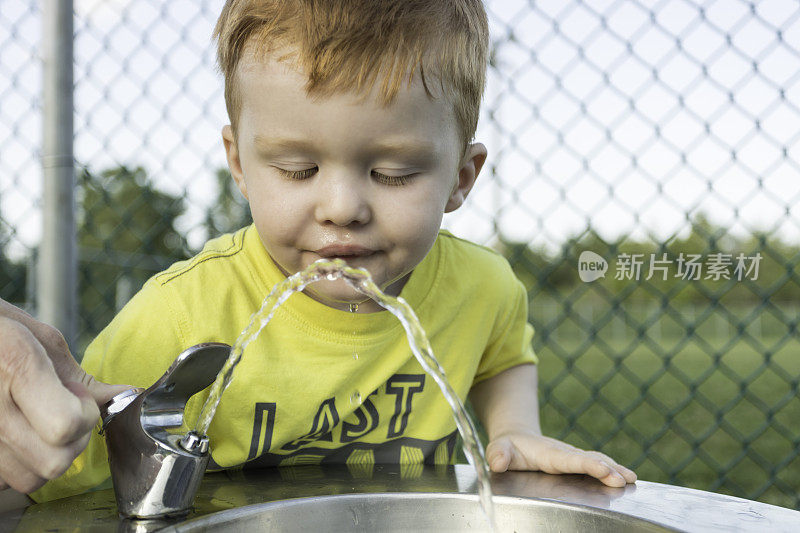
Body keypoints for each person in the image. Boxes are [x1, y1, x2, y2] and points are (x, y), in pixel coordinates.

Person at [0, 0, 636, 504]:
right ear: (240, 164)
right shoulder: (179, 317)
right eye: (298, 169)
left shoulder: (482, 285)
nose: (341, 207)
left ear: (461, 178)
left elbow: (503, 351)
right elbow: (55, 465)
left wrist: (514, 429)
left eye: (393, 173)